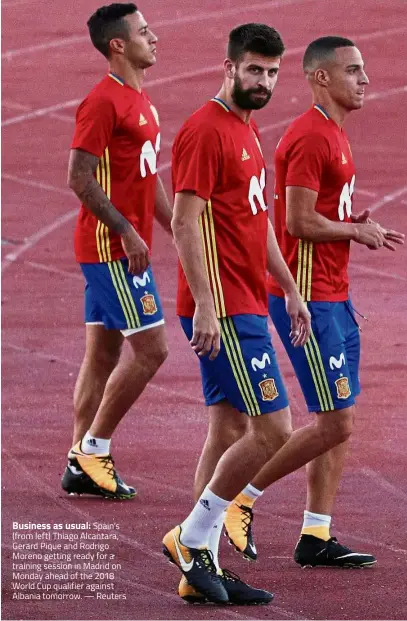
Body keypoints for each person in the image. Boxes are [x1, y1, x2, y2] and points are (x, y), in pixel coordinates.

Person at [224, 36, 404, 568]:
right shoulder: (308, 139)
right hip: (309, 299)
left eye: (363, 69)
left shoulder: (336, 135)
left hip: (335, 296)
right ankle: (239, 497)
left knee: (339, 417)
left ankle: (316, 534)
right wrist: (355, 231)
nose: (365, 79)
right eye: (353, 70)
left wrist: (355, 226)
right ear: (321, 78)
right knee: (336, 422)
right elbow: (296, 223)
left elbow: (322, 214)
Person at [162, 23, 312, 605]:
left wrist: (290, 287)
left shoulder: (247, 131)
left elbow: (257, 223)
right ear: (228, 67)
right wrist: (204, 303)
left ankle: (201, 568)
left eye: (273, 72)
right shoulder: (205, 130)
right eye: (254, 70)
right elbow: (181, 222)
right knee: (274, 428)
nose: (264, 81)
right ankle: (192, 537)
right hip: (222, 306)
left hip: (244, 298)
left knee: (226, 427)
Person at [61, 3, 172, 500]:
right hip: (110, 251)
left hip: (117, 245)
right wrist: (128, 230)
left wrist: (183, 228)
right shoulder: (104, 102)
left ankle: (76, 461)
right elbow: (77, 177)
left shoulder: (141, 100)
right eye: (145, 32)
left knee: (103, 355)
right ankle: (93, 447)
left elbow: (148, 178)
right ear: (118, 45)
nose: (155, 38)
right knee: (152, 350)